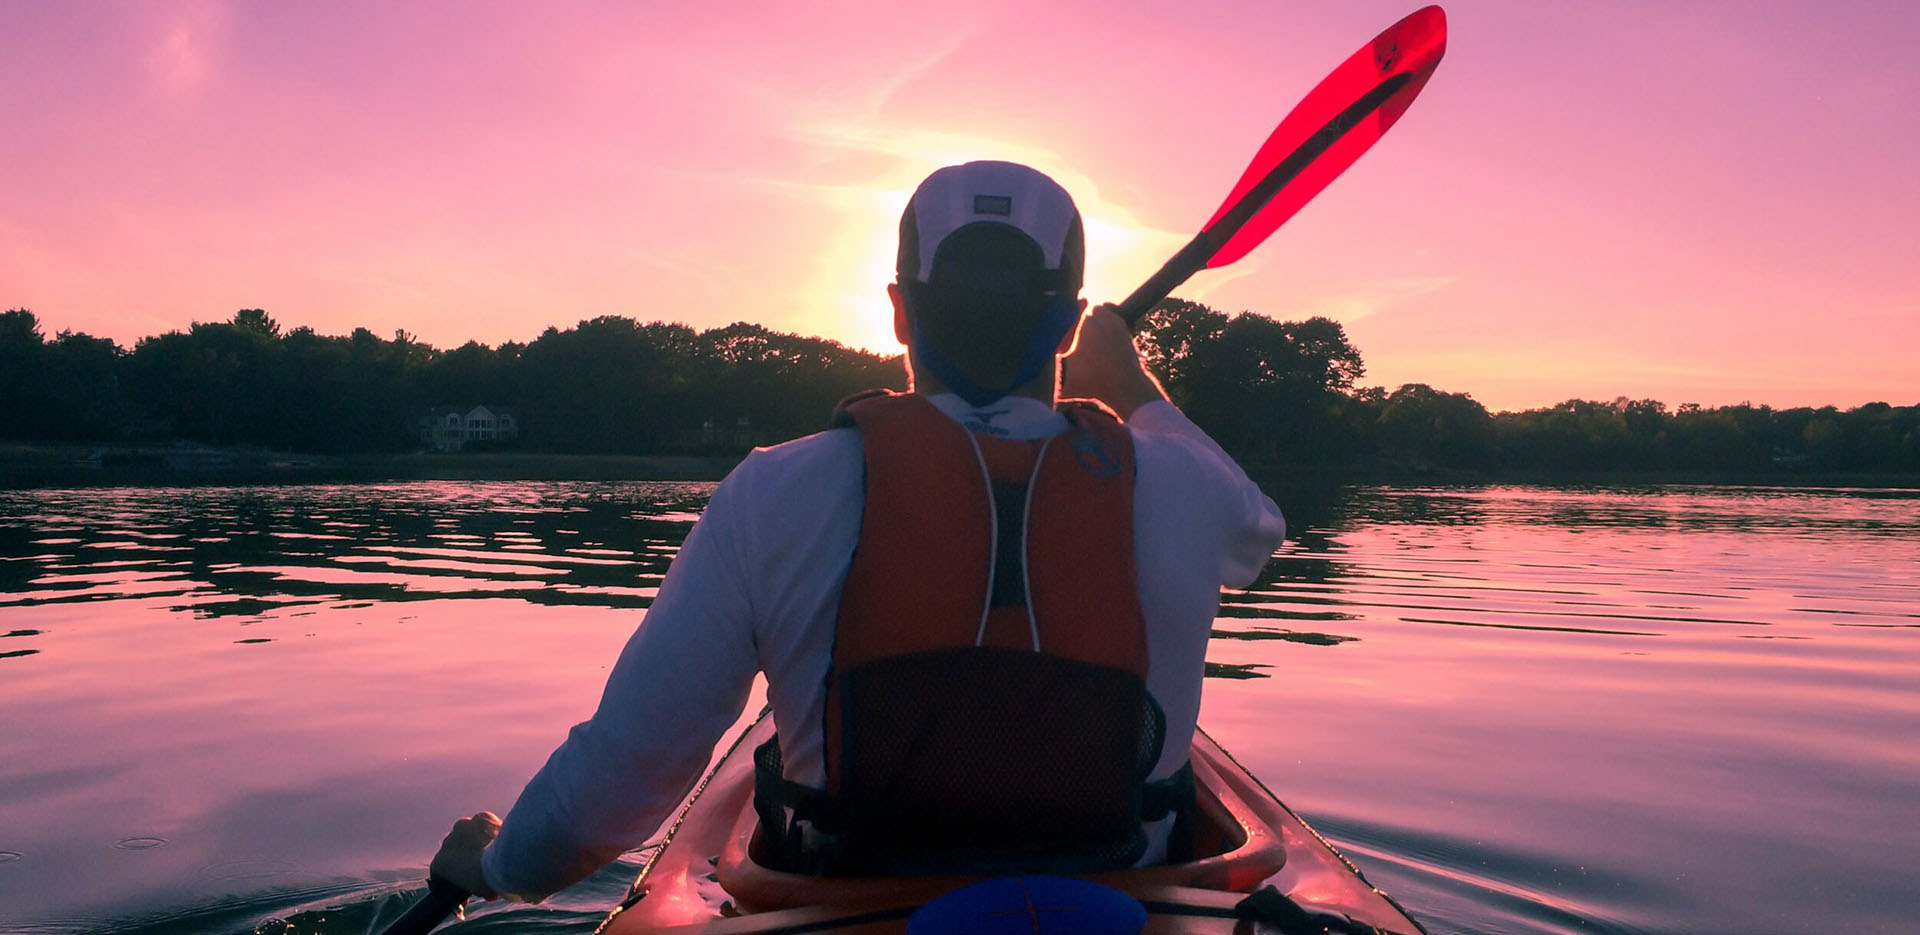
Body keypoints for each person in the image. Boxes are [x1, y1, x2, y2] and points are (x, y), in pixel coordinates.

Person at [428, 160, 1286, 900]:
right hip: (1124, 901)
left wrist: (497, 867)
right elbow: (1261, 530)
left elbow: (620, 778)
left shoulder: (773, 491)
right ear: (1066, 323)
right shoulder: (1183, 486)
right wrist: (1133, 383)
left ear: (899, 311)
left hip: (842, 898)